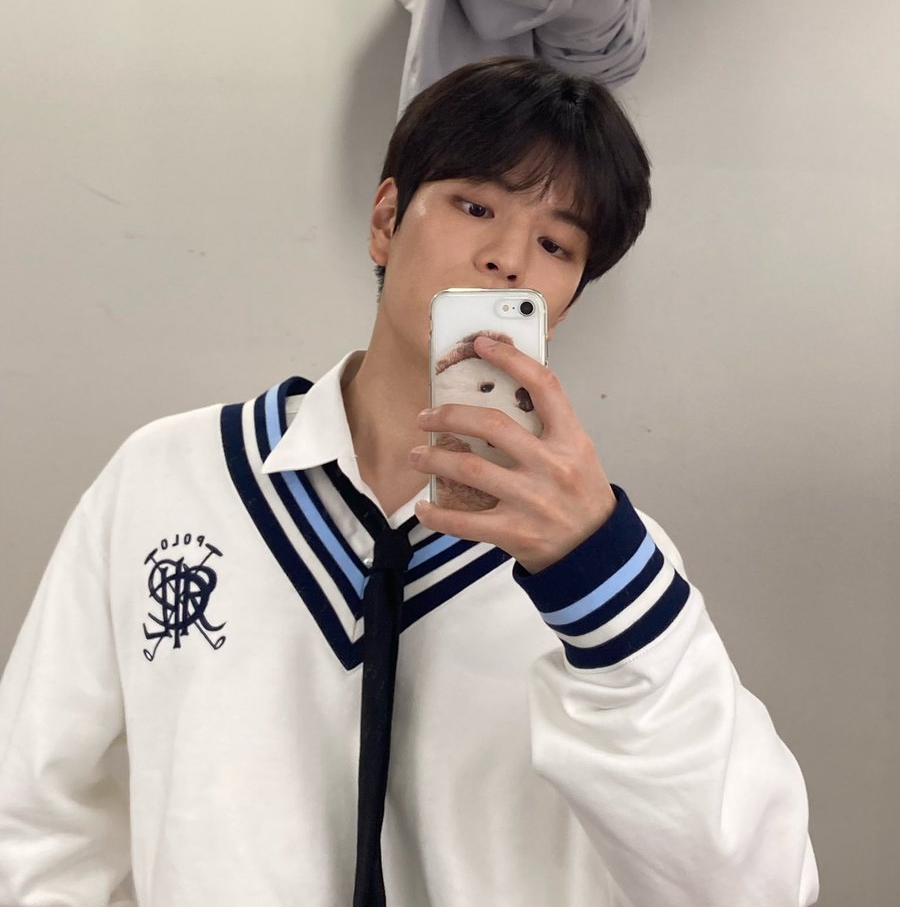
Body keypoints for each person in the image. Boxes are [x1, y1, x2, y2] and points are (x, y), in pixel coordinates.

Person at [0, 56, 818, 905]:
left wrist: (597, 577)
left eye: (556, 244)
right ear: (386, 220)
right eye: (476, 207)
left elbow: (756, 887)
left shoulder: (605, 564)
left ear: (568, 300)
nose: (506, 259)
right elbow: (32, 814)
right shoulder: (170, 478)